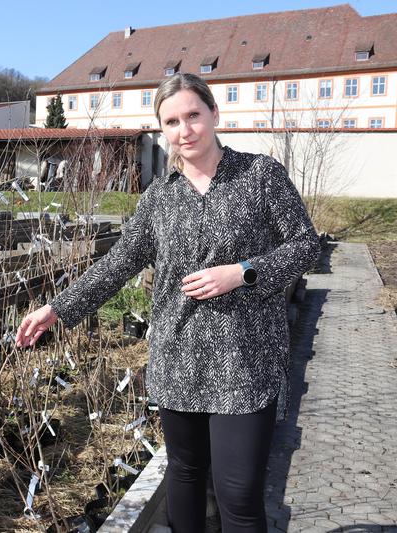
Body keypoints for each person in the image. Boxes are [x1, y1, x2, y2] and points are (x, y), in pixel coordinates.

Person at [16, 73, 321, 532]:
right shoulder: (159, 198)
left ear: (214, 114)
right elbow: (117, 264)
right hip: (178, 361)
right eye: (172, 121)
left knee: (238, 495)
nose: (185, 130)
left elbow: (304, 246)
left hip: (245, 361)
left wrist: (241, 273)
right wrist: (58, 309)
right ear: (163, 130)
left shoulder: (260, 177)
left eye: (193, 115)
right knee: (185, 478)